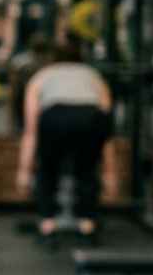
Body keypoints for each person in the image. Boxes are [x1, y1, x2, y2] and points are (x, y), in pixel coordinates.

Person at [15, 36, 113, 244]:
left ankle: (47, 225)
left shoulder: (41, 77)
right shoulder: (93, 76)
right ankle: (87, 226)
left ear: (52, 59)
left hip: (55, 116)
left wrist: (24, 170)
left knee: (48, 170)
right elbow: (106, 128)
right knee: (87, 170)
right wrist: (109, 172)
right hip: (90, 117)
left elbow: (31, 130)